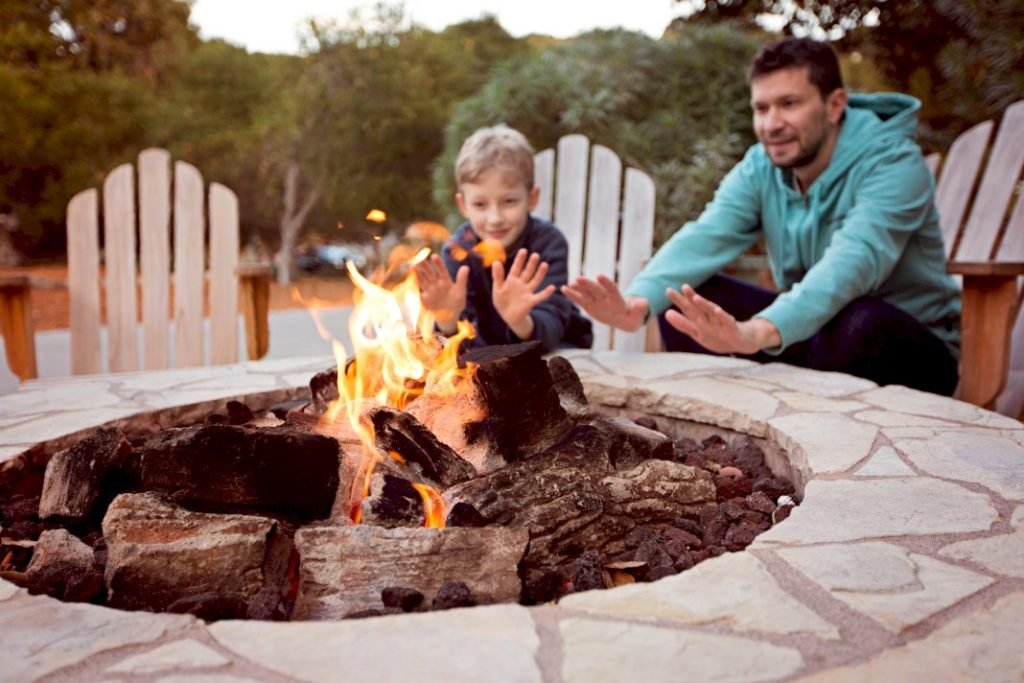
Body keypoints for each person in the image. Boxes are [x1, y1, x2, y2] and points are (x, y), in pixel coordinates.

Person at [563, 37, 961, 395]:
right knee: (685, 301)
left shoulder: (894, 162)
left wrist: (755, 332)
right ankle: (725, 435)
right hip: (815, 336)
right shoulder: (761, 167)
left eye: (789, 104)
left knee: (860, 321)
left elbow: (854, 261)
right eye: (761, 107)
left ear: (835, 105)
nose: (772, 124)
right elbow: (707, 234)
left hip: (907, 347)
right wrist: (636, 305)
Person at [415, 125, 593, 351]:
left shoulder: (547, 243)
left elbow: (553, 323)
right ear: (463, 205)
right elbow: (456, 348)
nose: (495, 218)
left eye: (509, 201)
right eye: (480, 204)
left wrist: (520, 320)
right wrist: (447, 320)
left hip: (555, 355)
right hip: (490, 361)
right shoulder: (458, 250)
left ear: (532, 198)